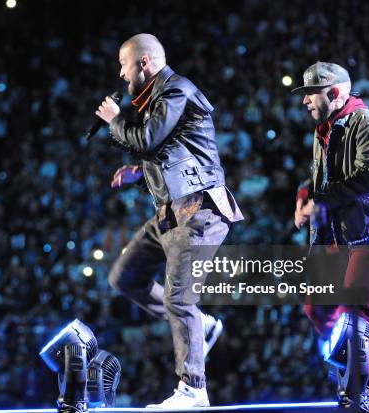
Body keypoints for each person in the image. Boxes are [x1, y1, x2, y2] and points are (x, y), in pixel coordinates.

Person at [95, 33, 244, 408]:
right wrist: (135, 170)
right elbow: (165, 147)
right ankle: (203, 329)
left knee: (180, 298)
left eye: (123, 64)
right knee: (125, 277)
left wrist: (116, 120)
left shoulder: (176, 89)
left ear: (143, 63)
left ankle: (194, 389)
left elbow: (148, 138)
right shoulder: (154, 98)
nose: (121, 73)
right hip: (171, 215)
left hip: (199, 211)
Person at [292, 62, 369, 400]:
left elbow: (366, 179)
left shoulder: (366, 123)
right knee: (317, 307)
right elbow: (321, 180)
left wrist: (320, 200)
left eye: (310, 94)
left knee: (353, 308)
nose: (304, 102)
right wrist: (304, 195)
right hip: (340, 238)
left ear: (334, 93)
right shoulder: (324, 128)